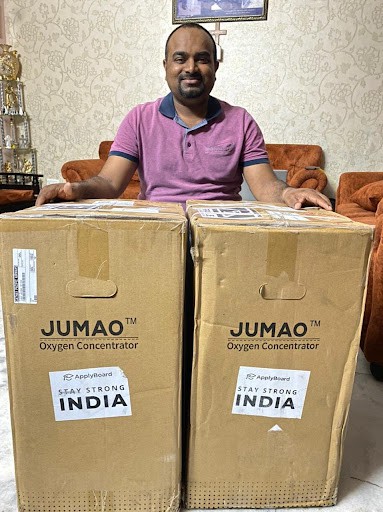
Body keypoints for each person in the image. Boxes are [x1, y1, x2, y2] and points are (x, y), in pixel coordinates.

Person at [36, 23, 332, 211]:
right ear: (166, 66)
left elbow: (265, 186)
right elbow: (110, 183)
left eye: (202, 59)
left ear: (215, 66)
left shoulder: (241, 121)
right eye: (180, 58)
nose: (191, 67)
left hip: (220, 234)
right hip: (157, 232)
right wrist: (77, 189)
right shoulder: (140, 118)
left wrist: (291, 192)